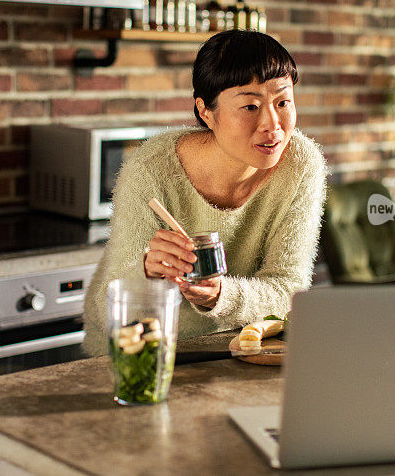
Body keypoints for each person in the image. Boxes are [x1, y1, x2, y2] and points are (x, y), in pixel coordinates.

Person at [82, 29, 328, 356]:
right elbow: (107, 305)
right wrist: (147, 274)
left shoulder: (300, 165)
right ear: (205, 111)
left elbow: (289, 293)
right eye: (251, 106)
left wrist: (220, 296)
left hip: (236, 351)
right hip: (141, 353)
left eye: (283, 102)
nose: (273, 125)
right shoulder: (150, 170)